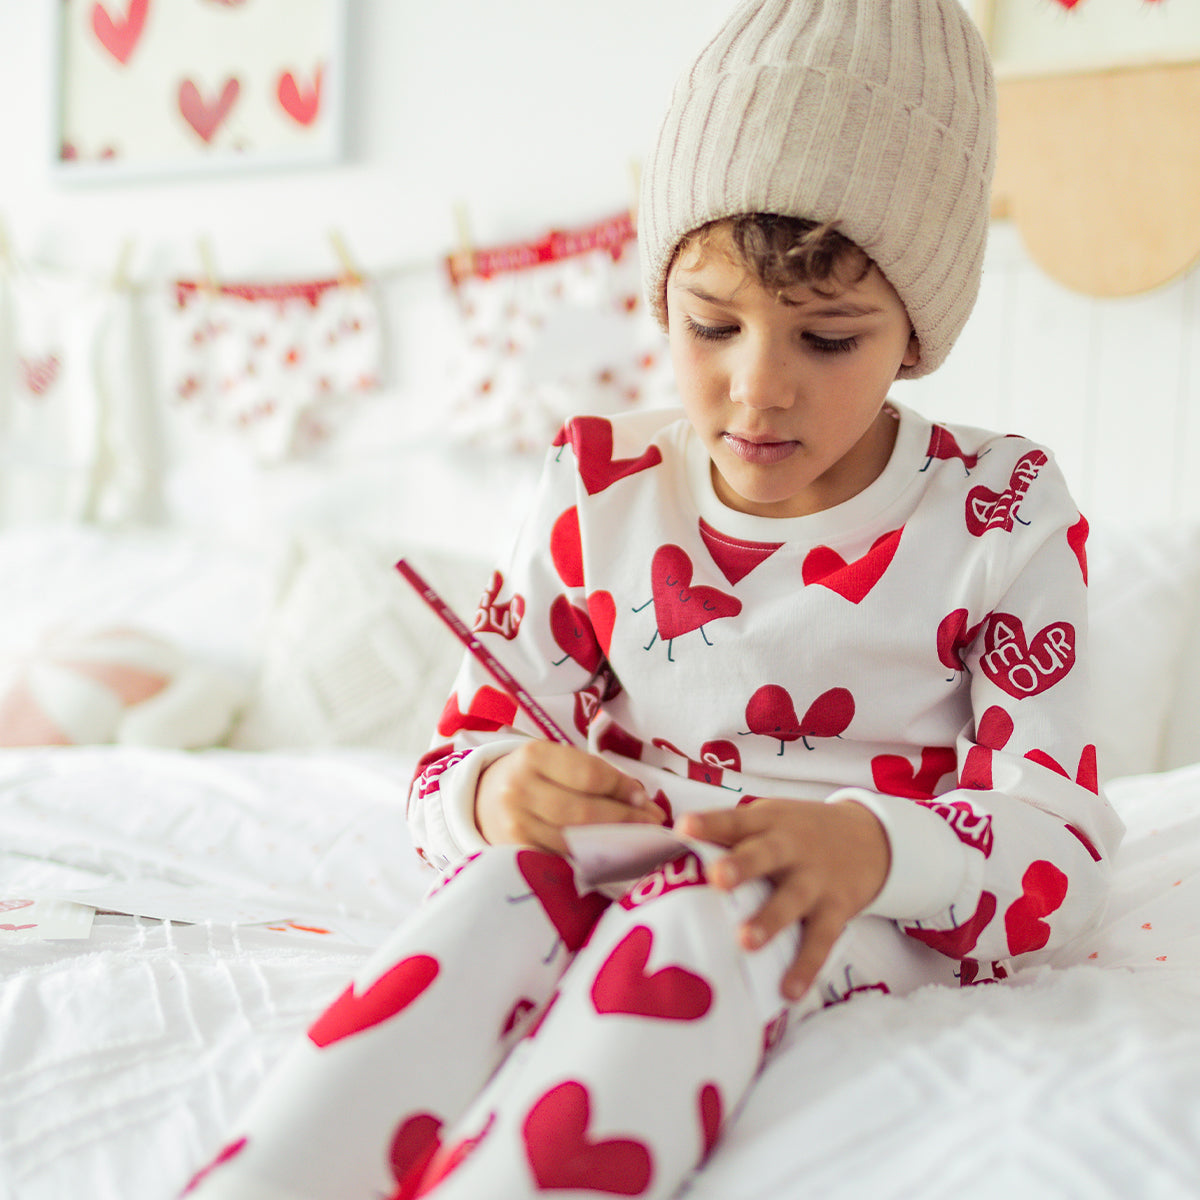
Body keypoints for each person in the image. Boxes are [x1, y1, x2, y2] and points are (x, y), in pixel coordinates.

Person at [183, 0, 1124, 1196]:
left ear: (916, 338)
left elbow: (1065, 862)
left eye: (828, 339)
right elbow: (447, 771)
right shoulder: (597, 483)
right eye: (711, 325)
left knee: (704, 925)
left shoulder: (1006, 511)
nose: (756, 390)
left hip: (842, 891)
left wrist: (868, 848)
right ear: (661, 299)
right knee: (492, 898)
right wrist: (494, 797)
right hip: (611, 852)